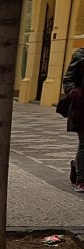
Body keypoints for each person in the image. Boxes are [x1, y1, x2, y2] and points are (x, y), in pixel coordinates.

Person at [63, 47, 84, 188]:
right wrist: (74, 91)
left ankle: (77, 166)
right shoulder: (80, 56)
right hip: (82, 107)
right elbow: (68, 79)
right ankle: (81, 180)